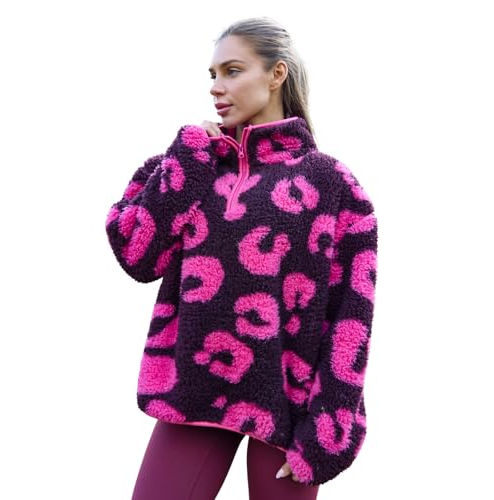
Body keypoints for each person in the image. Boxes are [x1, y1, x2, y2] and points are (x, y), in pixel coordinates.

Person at [105, 16, 378, 500]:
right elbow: (136, 254)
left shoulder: (333, 185)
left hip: (289, 406)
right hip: (194, 390)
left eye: (232, 71)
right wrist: (191, 154)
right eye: (212, 75)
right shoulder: (191, 164)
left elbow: (350, 318)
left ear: (277, 74)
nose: (217, 86)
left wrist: (330, 428)